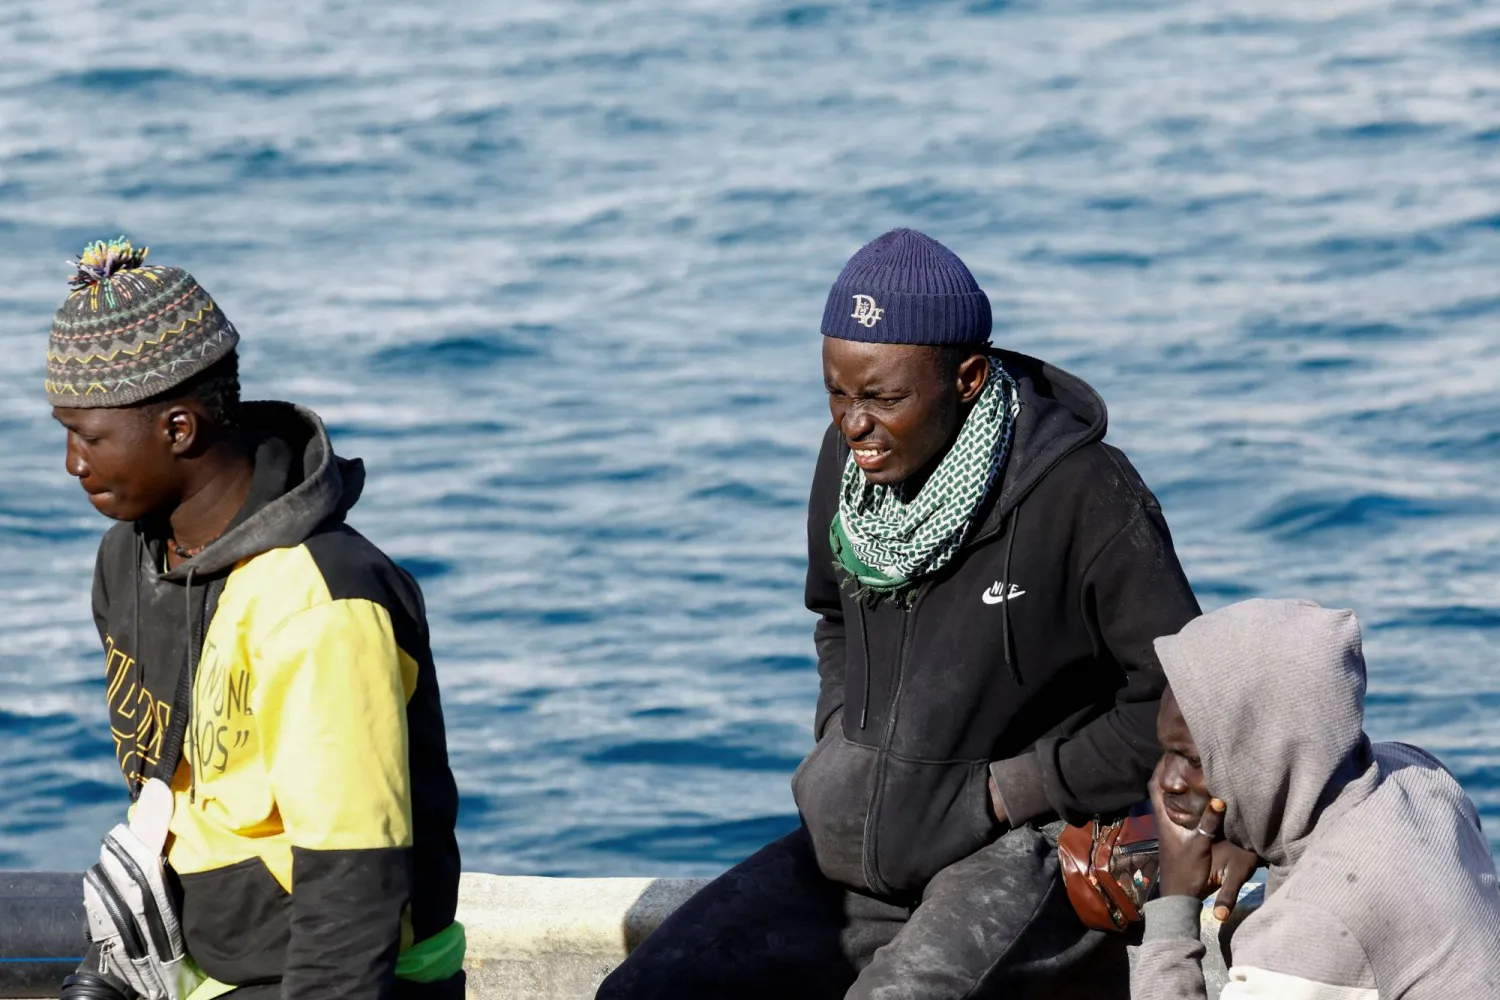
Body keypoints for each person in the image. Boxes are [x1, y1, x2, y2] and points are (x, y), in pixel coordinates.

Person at [597, 228, 1202, 999]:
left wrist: (1009, 791)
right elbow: (834, 619)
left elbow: (1181, 698)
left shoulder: (1085, 492)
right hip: (860, 846)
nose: (854, 425)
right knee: (644, 992)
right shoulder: (849, 464)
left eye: (884, 398)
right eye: (837, 394)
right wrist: (843, 747)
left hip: (1024, 848)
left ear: (970, 378)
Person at [47, 238, 464, 999]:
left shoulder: (321, 599)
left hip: (344, 974)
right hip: (202, 958)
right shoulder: (129, 561)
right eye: (65, 431)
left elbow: (354, 886)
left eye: (90, 436)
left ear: (178, 429)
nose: (73, 464)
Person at [1137, 598, 1500, 999]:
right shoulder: (1417, 776)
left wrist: (1174, 901)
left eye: (1193, 759)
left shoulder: (1311, 925)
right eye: (1165, 752)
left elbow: (1324, 925)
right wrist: (1260, 840)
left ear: (1270, 752)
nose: (1164, 781)